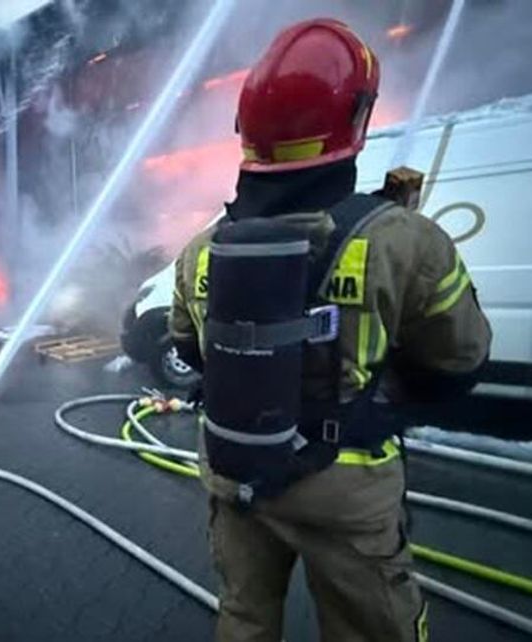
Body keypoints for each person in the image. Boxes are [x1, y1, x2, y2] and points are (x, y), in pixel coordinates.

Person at [169, 19, 491, 642]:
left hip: (235, 474)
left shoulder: (200, 251)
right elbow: (461, 361)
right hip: (348, 490)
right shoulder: (404, 239)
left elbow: (190, 350)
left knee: (242, 618)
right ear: (356, 121)